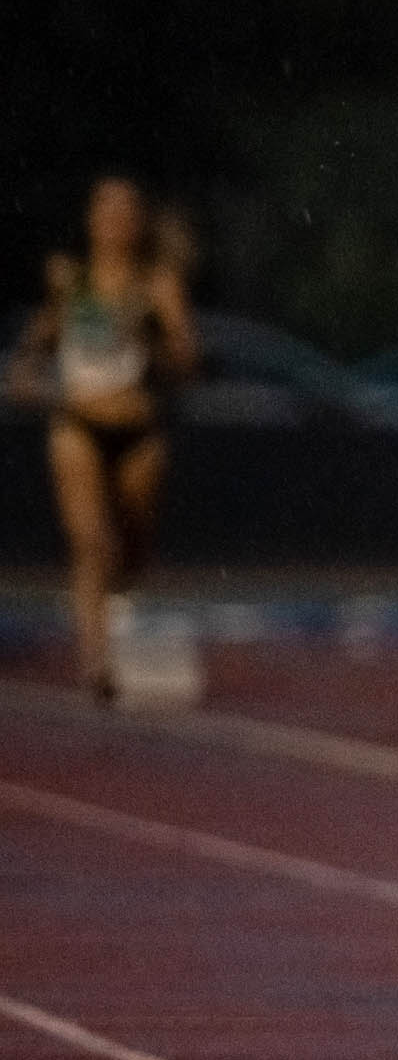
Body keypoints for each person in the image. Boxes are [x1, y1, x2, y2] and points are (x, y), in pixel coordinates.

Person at [6, 176, 198, 701]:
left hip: (138, 431)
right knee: (91, 543)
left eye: (127, 212)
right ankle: (97, 663)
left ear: (140, 224)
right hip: (78, 426)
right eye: (106, 210)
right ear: (90, 220)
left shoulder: (157, 284)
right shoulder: (73, 281)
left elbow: (187, 363)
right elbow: (39, 343)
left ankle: (119, 621)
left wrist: (151, 335)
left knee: (131, 551)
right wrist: (23, 373)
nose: (116, 222)